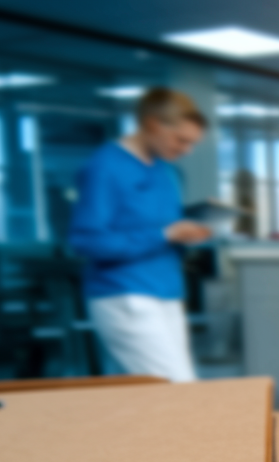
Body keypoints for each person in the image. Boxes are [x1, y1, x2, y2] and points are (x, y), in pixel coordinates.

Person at [69, 87, 212, 382]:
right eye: (181, 140)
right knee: (178, 389)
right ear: (152, 124)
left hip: (167, 292)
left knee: (146, 396)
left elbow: (165, 230)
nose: (186, 150)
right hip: (124, 293)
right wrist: (163, 235)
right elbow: (85, 240)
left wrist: (187, 234)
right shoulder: (105, 167)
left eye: (192, 143)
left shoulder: (165, 172)